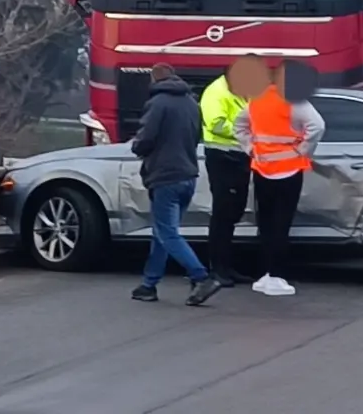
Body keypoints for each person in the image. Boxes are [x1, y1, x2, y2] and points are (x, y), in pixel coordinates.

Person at [130, 63, 222, 306]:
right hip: (188, 175)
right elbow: (195, 137)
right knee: (163, 232)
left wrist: (137, 147)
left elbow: (146, 138)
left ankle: (201, 276)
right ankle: (149, 285)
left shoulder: (158, 102)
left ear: (154, 79)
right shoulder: (192, 103)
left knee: (167, 233)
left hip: (165, 176)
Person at [233, 62, 325, 297]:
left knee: (265, 224)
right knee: (281, 225)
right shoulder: (296, 101)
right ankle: (277, 275)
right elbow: (317, 125)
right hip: (289, 169)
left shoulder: (257, 100)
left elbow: (239, 125)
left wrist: (250, 148)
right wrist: (303, 149)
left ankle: (265, 275)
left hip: (262, 168)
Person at [200, 63, 253, 287]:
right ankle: (217, 269)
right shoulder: (217, 92)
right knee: (223, 213)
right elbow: (217, 124)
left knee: (232, 212)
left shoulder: (238, 90)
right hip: (222, 155)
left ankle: (226, 267)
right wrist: (247, 131)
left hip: (238, 155)